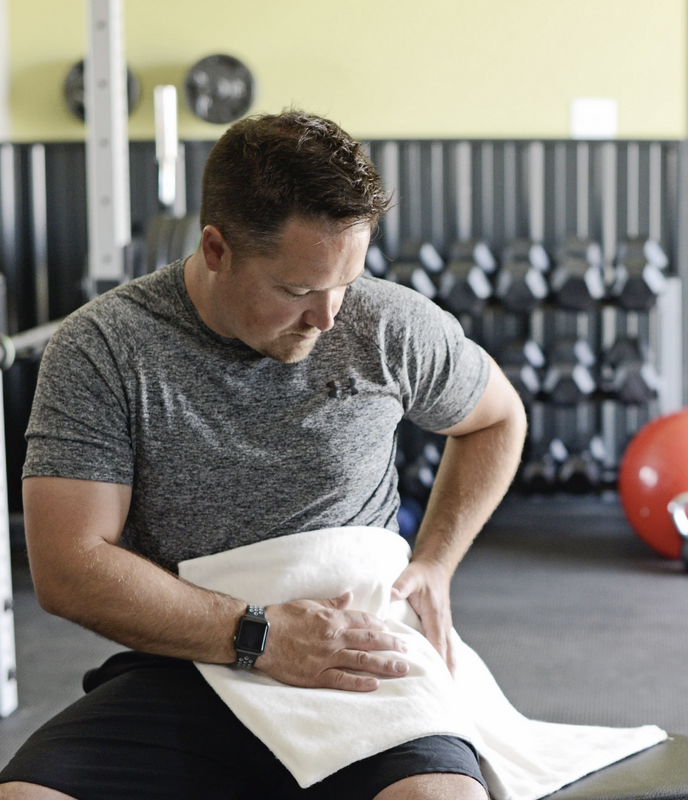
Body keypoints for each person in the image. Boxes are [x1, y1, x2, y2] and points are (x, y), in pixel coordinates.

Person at [0, 110, 527, 800]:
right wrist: (261, 635)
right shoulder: (103, 347)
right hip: (192, 663)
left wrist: (435, 562)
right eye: (298, 290)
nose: (329, 317)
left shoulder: (387, 323)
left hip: (359, 659)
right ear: (216, 249)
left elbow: (497, 418)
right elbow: (69, 568)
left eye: (346, 281)